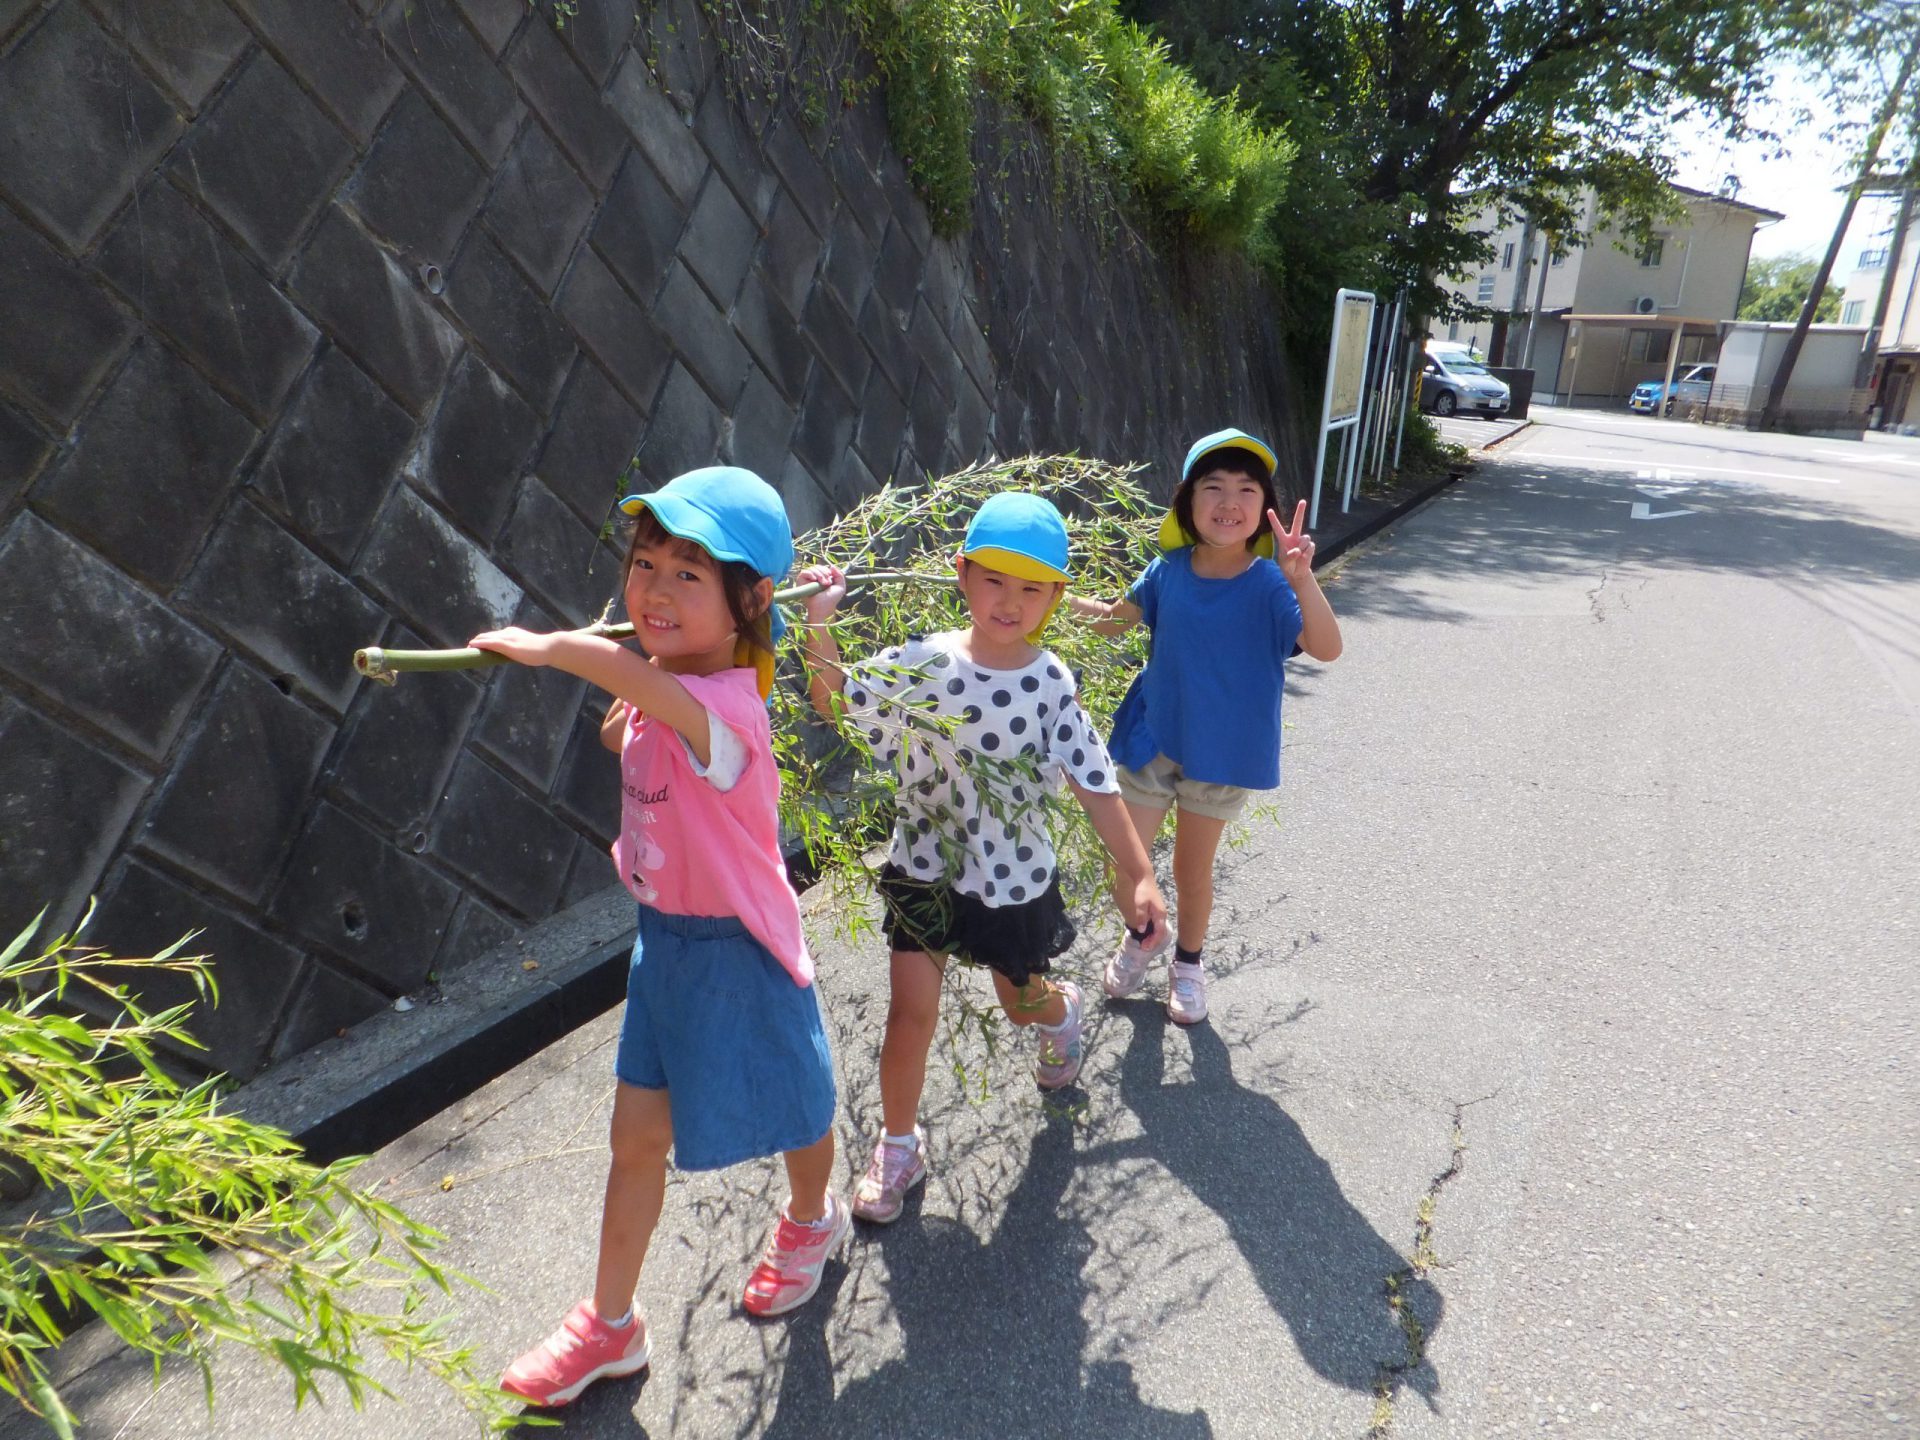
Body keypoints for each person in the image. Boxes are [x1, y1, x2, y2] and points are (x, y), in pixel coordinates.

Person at [471, 466, 844, 1408]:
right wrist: (642, 660)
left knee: (797, 1107)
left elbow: (642, 692)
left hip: (739, 947)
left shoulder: (731, 713)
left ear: (750, 601)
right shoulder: (665, 688)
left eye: (688, 574)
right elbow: (622, 726)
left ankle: (812, 1216)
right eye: (645, 565)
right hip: (665, 943)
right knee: (634, 1138)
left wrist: (556, 648)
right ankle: (610, 1325)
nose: (655, 589)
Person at [795, 492, 1168, 1224]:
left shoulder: (1050, 682)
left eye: (1032, 588)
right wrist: (819, 619)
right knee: (910, 1013)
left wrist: (1141, 874)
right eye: (994, 579)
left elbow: (1095, 783)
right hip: (924, 867)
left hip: (1010, 879)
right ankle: (898, 1146)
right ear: (961, 574)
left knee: (1020, 1003)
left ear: (1056, 598)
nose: (1010, 601)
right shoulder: (925, 662)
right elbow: (834, 703)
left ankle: (1061, 1014)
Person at [1068, 428, 1343, 1025]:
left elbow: (1326, 648)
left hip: (1222, 753)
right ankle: (1143, 935)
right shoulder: (1166, 571)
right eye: (1213, 487)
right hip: (1153, 737)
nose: (1229, 501)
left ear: (1265, 510)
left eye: (1247, 490)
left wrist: (1302, 578)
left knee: (1191, 873)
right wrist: (1046, 596)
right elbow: (1114, 620)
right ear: (1188, 503)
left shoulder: (1271, 584)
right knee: (1126, 865)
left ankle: (1188, 963)